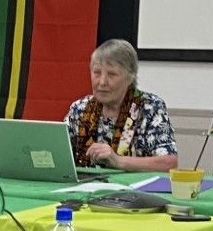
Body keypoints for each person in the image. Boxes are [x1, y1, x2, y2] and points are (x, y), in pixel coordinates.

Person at [62, 39, 179, 171]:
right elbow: (57, 153)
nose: (102, 82)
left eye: (112, 74)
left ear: (130, 78)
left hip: (134, 184)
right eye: (97, 73)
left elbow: (169, 163)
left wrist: (118, 161)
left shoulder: (150, 107)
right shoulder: (80, 109)